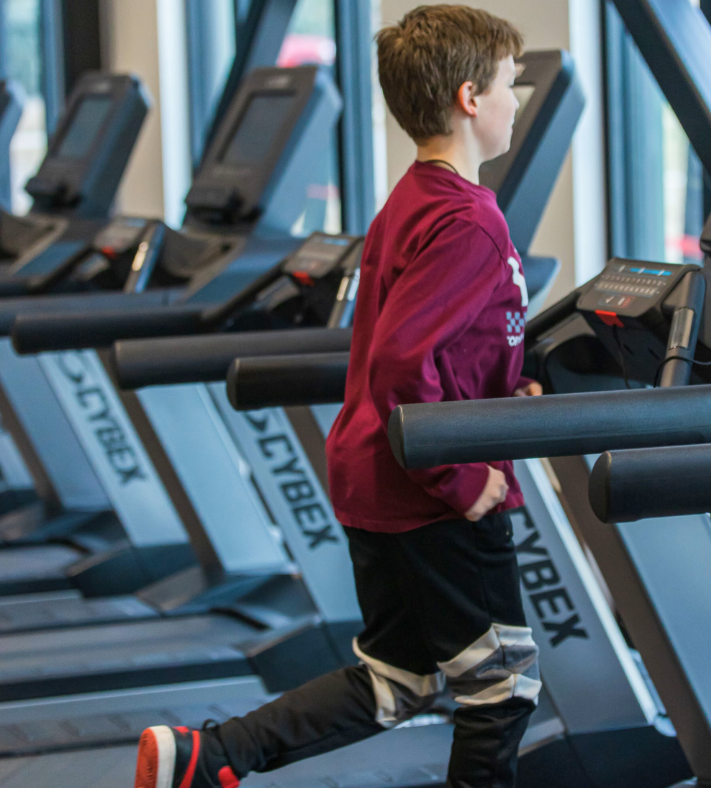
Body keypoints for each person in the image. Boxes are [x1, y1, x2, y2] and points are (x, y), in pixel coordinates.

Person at [133, 6, 542, 788]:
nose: (516, 101)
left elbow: (435, 340)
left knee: (402, 677)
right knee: (502, 686)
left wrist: (506, 380)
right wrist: (463, 478)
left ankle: (208, 757)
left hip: (376, 479)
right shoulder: (470, 223)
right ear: (468, 97)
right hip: (433, 491)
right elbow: (400, 364)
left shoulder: (411, 200)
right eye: (508, 86)